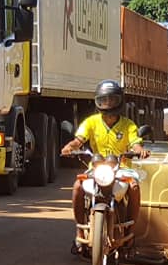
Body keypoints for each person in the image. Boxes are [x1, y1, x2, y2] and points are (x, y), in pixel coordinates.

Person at [60, 80, 151, 254]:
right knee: (78, 186)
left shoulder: (128, 124)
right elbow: (79, 140)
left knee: (134, 187)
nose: (108, 104)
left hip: (122, 168)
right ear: (97, 102)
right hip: (97, 168)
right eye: (104, 100)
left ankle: (130, 235)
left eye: (112, 100)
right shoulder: (91, 122)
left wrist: (140, 150)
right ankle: (79, 231)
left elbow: (135, 144)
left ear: (120, 101)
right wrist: (70, 147)